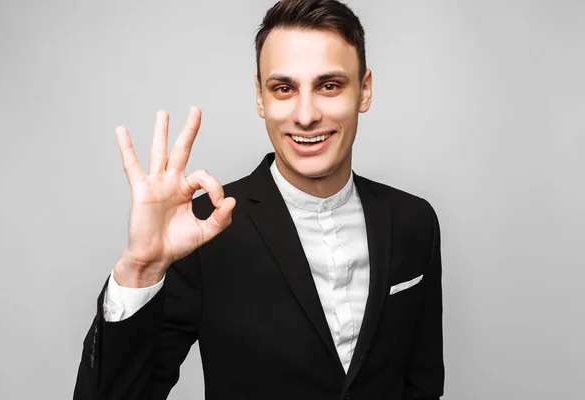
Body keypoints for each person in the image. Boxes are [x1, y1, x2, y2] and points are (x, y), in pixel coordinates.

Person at [74, 0, 444, 398]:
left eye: (329, 86)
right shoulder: (203, 229)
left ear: (364, 90)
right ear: (260, 98)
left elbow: (421, 385)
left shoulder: (414, 221)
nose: (305, 115)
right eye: (283, 88)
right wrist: (140, 270)